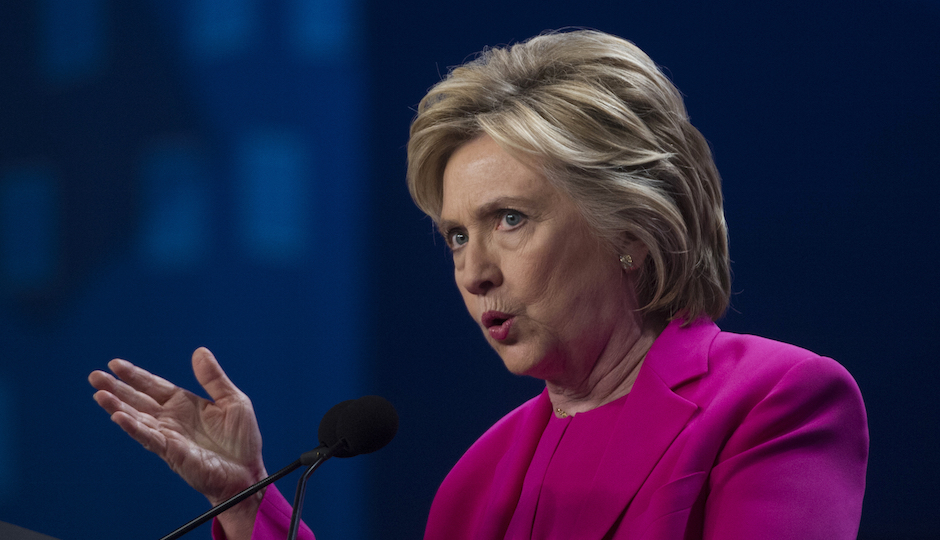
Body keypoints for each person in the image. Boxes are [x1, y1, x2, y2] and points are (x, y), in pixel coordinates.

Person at [89, 29, 868, 539]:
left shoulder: (776, 400)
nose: (473, 270)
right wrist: (255, 500)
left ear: (630, 230)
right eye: (457, 234)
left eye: (510, 220)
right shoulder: (480, 479)